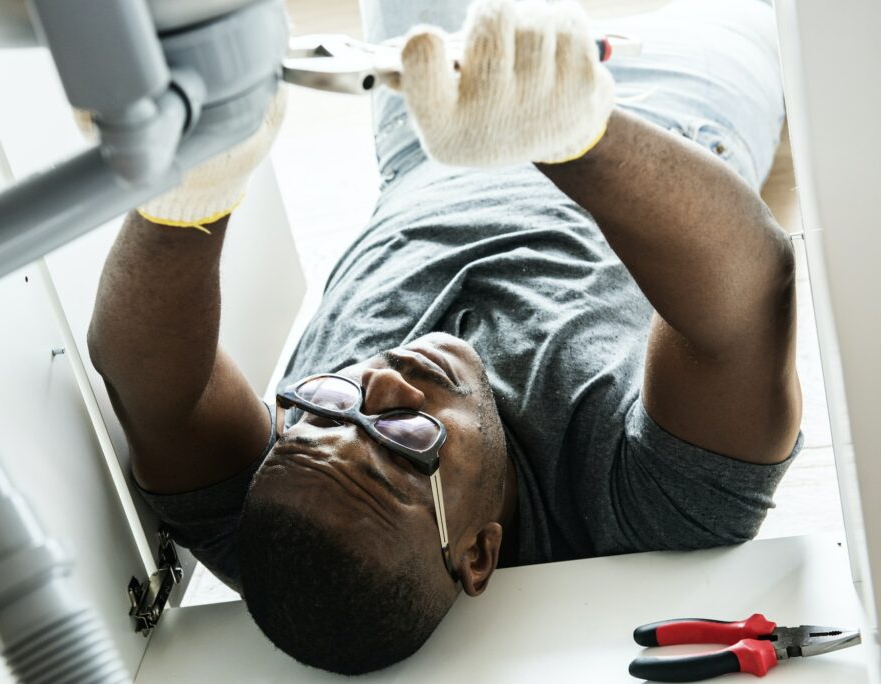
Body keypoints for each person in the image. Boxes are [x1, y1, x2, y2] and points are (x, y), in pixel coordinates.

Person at [88, 0, 800, 675]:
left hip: (426, 129)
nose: (382, 381)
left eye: (327, 408)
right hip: (661, 126)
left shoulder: (289, 516)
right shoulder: (643, 514)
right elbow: (750, 293)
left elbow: (150, 383)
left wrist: (197, 183)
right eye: (403, 439)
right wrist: (568, 133)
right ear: (477, 553)